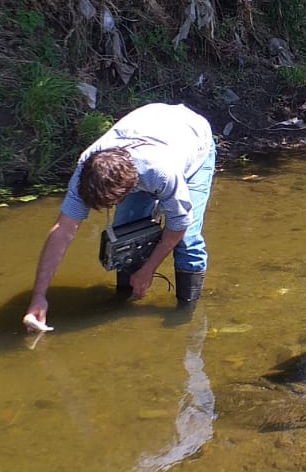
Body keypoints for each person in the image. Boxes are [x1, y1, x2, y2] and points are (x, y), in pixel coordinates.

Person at [24, 102, 215, 331]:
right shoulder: (86, 169)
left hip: (194, 140)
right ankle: (124, 300)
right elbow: (63, 231)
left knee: (188, 239)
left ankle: (186, 313)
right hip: (153, 127)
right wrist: (38, 296)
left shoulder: (162, 173)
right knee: (125, 229)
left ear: (128, 189)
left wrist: (148, 270)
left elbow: (178, 227)